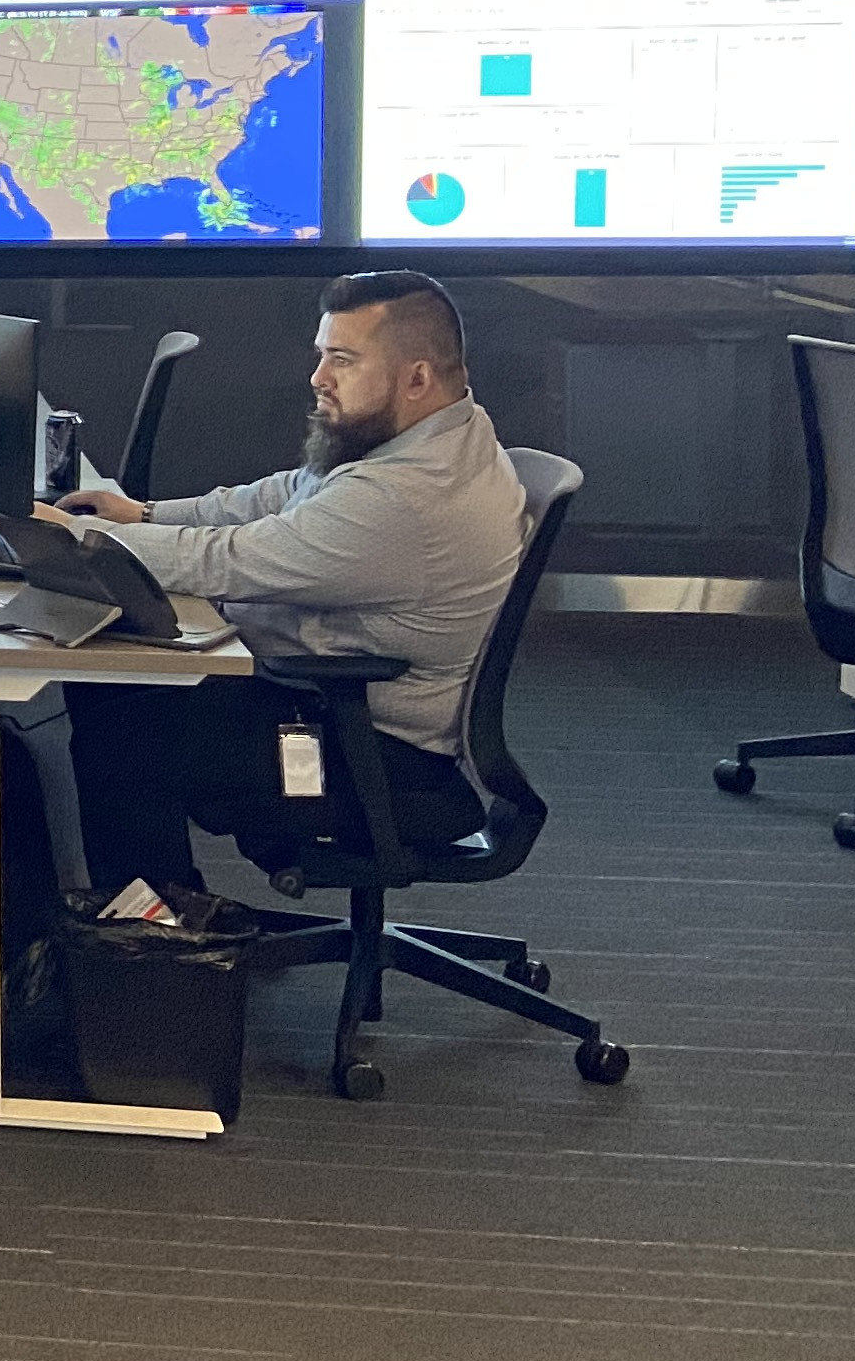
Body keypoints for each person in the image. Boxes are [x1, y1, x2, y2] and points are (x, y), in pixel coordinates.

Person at [43, 270, 527, 894]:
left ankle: (160, 952)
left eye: (343, 360)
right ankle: (157, 923)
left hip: (370, 753)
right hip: (324, 698)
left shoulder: (406, 499)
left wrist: (75, 539)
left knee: (124, 740)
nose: (318, 377)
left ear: (416, 378)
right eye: (322, 354)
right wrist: (145, 515)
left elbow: (227, 560)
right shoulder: (441, 430)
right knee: (110, 686)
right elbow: (282, 494)